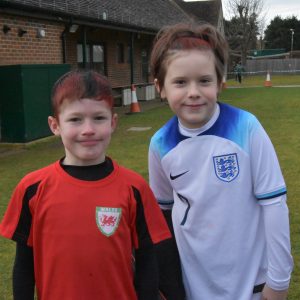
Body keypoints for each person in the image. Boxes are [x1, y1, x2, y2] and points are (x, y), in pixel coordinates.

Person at [0, 70, 176, 300]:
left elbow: (147, 263)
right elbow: (24, 265)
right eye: (75, 119)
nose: (88, 129)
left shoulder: (134, 188)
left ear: (113, 122)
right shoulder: (32, 188)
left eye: (99, 118)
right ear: (55, 125)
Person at [148, 22, 293, 300]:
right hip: (193, 280)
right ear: (161, 87)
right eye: (180, 82)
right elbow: (162, 215)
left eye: (204, 80)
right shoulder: (160, 144)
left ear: (220, 83)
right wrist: (165, 280)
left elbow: (274, 204)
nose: (193, 92)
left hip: (251, 279)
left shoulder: (246, 127)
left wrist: (279, 280)